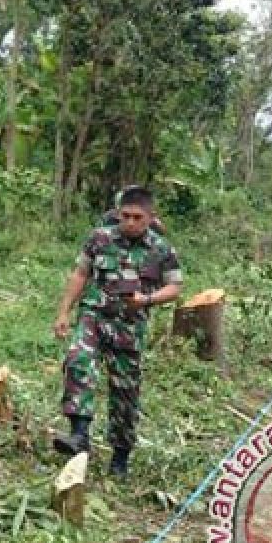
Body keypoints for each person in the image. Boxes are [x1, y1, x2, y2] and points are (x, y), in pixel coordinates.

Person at [51, 186, 183, 478]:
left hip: (130, 327)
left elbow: (175, 287)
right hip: (94, 316)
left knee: (125, 393)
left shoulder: (161, 249)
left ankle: (120, 457)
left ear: (150, 218)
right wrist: (64, 312)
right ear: (118, 214)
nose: (131, 222)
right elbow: (80, 274)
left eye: (138, 217)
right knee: (77, 360)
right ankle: (79, 435)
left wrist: (147, 300)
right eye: (125, 216)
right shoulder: (100, 238)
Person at [100, 185, 167, 236]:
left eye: (137, 217)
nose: (130, 223)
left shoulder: (150, 218)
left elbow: (162, 231)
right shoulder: (108, 216)